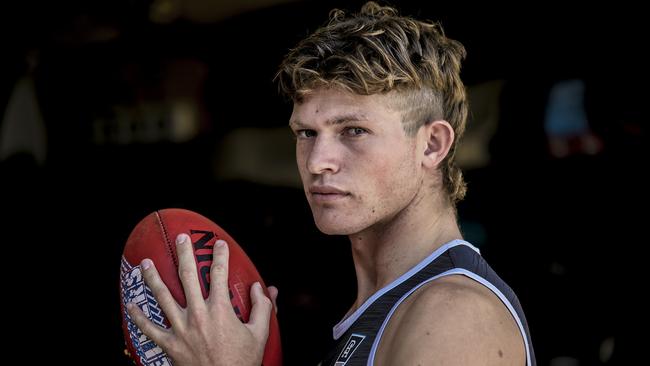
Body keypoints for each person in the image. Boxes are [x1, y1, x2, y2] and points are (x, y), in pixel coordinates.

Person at [126, 2, 536, 365]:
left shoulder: (454, 315)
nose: (318, 162)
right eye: (306, 133)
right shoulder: (375, 309)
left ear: (431, 145)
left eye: (353, 130)